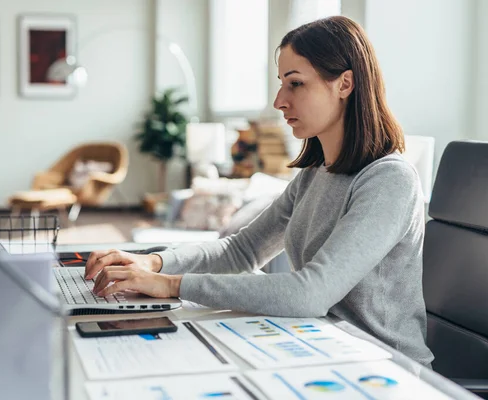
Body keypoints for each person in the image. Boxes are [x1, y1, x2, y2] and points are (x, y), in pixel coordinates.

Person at [84, 16, 434, 367]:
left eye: (295, 84)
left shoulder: (389, 180)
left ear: (345, 84)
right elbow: (242, 250)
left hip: (387, 369)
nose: (279, 100)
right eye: (281, 83)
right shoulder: (315, 173)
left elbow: (311, 293)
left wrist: (172, 285)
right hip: (324, 348)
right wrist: (154, 262)